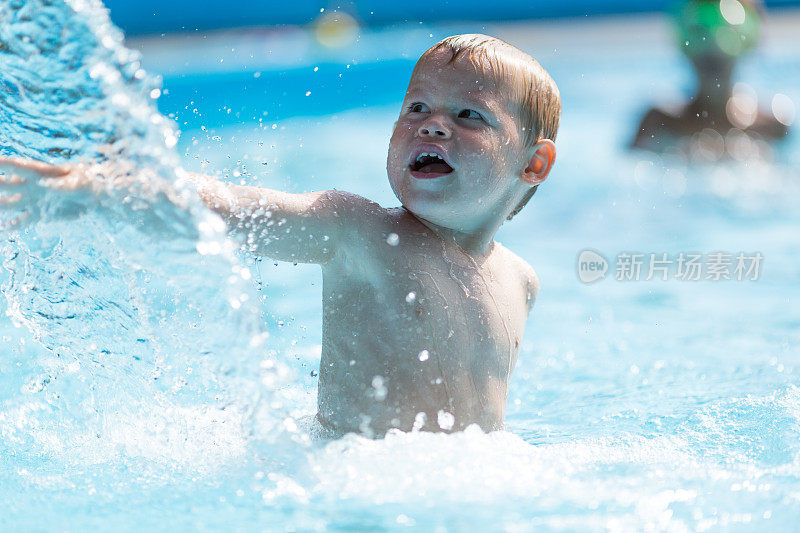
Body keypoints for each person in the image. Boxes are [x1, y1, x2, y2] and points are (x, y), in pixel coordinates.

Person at [0, 34, 560, 438]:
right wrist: (101, 187)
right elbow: (227, 207)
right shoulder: (360, 232)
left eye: (469, 115)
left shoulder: (521, 281)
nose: (432, 124)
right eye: (416, 107)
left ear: (534, 164)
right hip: (348, 481)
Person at [632, 0, 789, 153]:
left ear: (749, 41)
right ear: (682, 41)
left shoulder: (773, 127)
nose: (713, 50)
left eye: (728, 33)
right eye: (699, 31)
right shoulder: (658, 124)